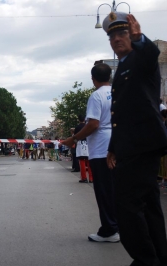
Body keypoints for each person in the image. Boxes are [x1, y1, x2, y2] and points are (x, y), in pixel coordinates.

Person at [103, 12, 167, 265]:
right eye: (113, 36)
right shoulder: (123, 68)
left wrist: (140, 38)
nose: (117, 39)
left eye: (123, 33)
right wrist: (113, 148)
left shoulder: (141, 58)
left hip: (143, 145)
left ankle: (144, 259)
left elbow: (152, 55)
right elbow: (122, 113)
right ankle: (159, 257)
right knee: (149, 205)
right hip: (135, 145)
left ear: (132, 36)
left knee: (127, 206)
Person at [63, 63, 118, 243]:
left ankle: (109, 230)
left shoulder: (96, 96)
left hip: (101, 149)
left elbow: (93, 124)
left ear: (93, 79)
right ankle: (119, 226)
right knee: (115, 189)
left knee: (104, 191)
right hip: (117, 145)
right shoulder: (117, 93)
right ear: (109, 76)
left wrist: (74, 138)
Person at [74, 115, 93, 183]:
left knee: (82, 162)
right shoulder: (87, 126)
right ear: (85, 119)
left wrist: (75, 144)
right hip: (88, 144)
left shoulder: (77, 127)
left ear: (79, 120)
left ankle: (84, 178)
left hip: (80, 144)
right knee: (89, 162)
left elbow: (75, 138)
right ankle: (91, 178)